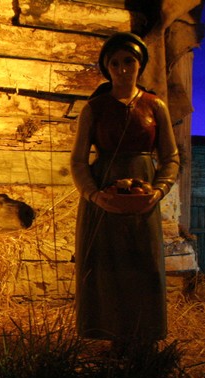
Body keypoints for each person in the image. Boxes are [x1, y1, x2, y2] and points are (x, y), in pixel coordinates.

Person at [70, 32, 180, 353]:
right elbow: (78, 161)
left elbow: (171, 157)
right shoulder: (94, 109)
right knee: (108, 265)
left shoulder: (154, 106)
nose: (122, 69)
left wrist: (159, 190)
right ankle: (112, 335)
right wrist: (94, 195)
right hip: (105, 195)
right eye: (115, 63)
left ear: (139, 64)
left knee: (143, 262)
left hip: (143, 197)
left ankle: (144, 337)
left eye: (128, 61)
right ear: (107, 68)